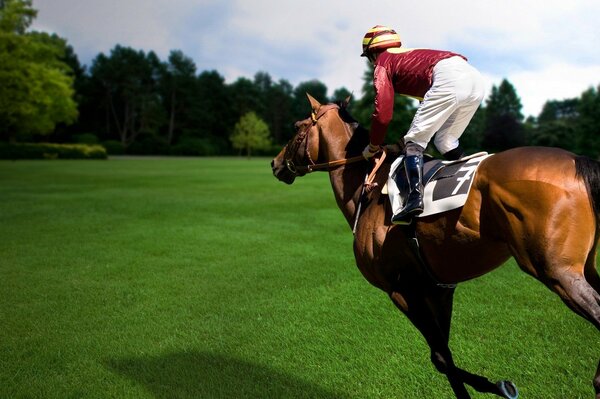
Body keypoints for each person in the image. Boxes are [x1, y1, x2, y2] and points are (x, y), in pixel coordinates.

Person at [360, 25, 485, 224]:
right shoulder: (410, 57)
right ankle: (476, 181)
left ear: (372, 52)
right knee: (445, 140)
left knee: (415, 143)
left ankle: (414, 200)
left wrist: (373, 145)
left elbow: (382, 114)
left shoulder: (383, 62)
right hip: (475, 78)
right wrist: (402, 143)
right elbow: (426, 116)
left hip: (448, 78)